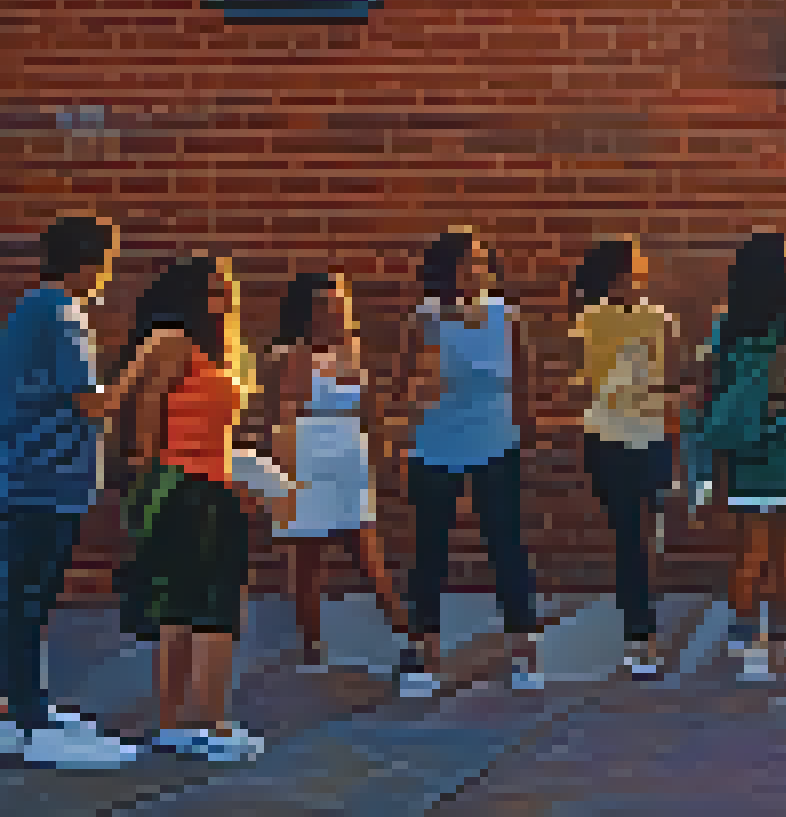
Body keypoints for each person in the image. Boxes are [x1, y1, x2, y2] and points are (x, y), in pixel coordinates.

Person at [0, 215, 167, 768]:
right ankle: (28, 721)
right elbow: (92, 403)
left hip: (30, 476)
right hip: (42, 480)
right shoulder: (62, 313)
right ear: (87, 261)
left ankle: (25, 708)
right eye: (106, 259)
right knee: (28, 599)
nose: (108, 273)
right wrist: (144, 359)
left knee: (25, 597)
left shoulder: (34, 309)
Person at [117, 256, 283, 762]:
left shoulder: (226, 355)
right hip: (181, 489)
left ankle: (204, 720)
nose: (223, 300)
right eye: (212, 291)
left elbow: (219, 435)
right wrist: (147, 485)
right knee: (188, 607)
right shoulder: (173, 343)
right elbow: (143, 414)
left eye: (227, 290)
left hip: (218, 488)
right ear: (188, 297)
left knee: (218, 607)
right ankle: (185, 723)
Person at [690, 231, 786, 682]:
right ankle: (781, 640)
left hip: (742, 456)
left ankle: (744, 640)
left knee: (748, 551)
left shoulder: (725, 327)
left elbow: (708, 393)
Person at [398, 229, 540, 698]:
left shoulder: (508, 317)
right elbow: (404, 385)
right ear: (445, 271)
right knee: (430, 551)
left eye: (480, 261)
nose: (475, 270)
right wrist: (422, 385)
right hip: (436, 441)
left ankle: (524, 653)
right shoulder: (426, 318)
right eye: (465, 263)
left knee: (507, 547)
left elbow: (524, 382)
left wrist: (525, 436)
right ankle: (425, 656)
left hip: (496, 440)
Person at [263, 271, 406, 672]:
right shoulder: (290, 354)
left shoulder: (352, 351)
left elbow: (370, 409)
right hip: (307, 456)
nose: (334, 312)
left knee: (366, 550)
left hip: (349, 456)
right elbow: (283, 416)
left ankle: (403, 637)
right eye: (324, 305)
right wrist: (286, 475)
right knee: (308, 557)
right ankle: (313, 650)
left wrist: (381, 451)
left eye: (338, 303)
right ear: (305, 313)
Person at [567, 240, 680, 677]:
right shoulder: (590, 321)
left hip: (651, 436)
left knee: (648, 536)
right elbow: (592, 382)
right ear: (618, 277)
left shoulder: (658, 318)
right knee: (631, 537)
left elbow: (662, 377)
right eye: (636, 266)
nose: (645, 271)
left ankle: (643, 627)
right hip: (611, 438)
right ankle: (641, 637)